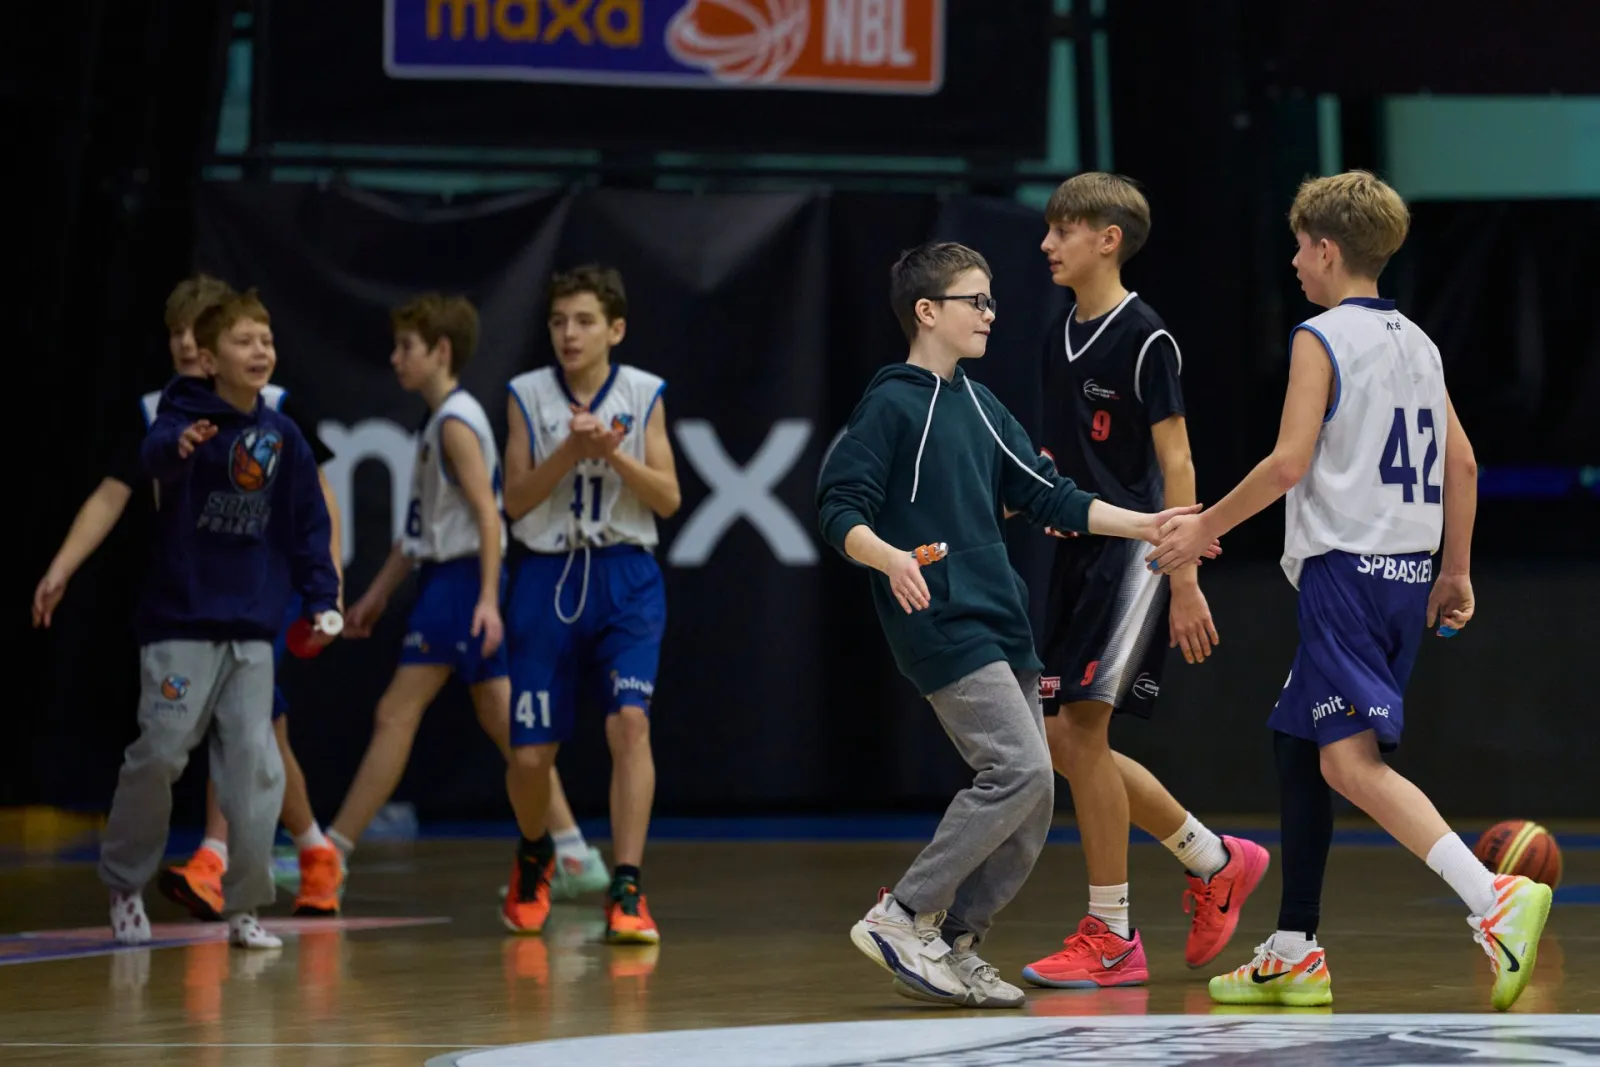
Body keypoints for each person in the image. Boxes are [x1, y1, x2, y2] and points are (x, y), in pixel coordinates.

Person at [1146, 170, 1552, 1011]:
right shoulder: (1420, 342)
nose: (1295, 263)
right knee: (1297, 742)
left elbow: (1287, 463)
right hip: (1404, 574)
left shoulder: (1320, 336)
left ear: (1327, 249)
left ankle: (1492, 896)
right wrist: (1455, 570)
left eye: (1300, 248)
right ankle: (1295, 948)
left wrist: (1202, 526)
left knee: (1349, 763)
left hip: (1347, 572)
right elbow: (1464, 463)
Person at [816, 241, 1216, 1008]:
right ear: (926, 311)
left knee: (1033, 799)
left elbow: (1051, 495)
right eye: (976, 300)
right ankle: (903, 912)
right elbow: (839, 506)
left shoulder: (979, 404)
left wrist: (1150, 524)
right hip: (942, 619)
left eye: (991, 299)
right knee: (1021, 770)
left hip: (1002, 620)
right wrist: (889, 557)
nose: (990, 313)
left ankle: (955, 938)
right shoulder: (891, 403)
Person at [32, 274, 347, 922]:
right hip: (183, 607)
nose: (184, 343)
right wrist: (62, 565)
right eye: (176, 332)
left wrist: (327, 592)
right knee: (180, 745)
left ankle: (229, 871)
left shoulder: (278, 414)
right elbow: (118, 489)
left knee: (253, 748)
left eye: (198, 330)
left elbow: (315, 507)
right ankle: (301, 847)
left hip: (259, 604)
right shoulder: (163, 416)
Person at [1021, 173, 1269, 990]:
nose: (1048, 243)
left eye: (1063, 230)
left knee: (1081, 733)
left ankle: (1113, 934)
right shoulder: (1060, 332)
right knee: (1061, 740)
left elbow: (1178, 463)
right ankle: (1214, 858)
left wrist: (1183, 575)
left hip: (1138, 554)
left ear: (1108, 239)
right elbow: (1066, 455)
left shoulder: (1146, 336)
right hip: (1078, 552)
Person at [319, 292, 548, 917]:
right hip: (450, 580)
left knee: (396, 713)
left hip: (460, 584)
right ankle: (574, 851)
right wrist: (375, 594)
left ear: (441, 351)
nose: (396, 359)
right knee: (507, 724)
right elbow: (419, 530)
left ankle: (331, 853)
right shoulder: (442, 419)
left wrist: (487, 599)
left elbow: (489, 518)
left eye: (406, 347)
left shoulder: (455, 423)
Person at [501, 265, 679, 941]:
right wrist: (570, 451)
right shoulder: (526, 394)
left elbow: (667, 498)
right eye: (558, 322)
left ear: (615, 329)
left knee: (630, 724)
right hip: (546, 575)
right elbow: (516, 500)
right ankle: (534, 851)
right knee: (529, 756)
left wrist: (614, 455)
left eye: (583, 321)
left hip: (626, 573)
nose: (568, 334)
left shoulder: (642, 393)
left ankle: (627, 884)